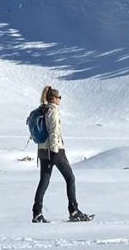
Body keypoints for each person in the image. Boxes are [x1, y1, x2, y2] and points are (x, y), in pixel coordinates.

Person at [32, 85, 90, 223]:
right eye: (59, 97)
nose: (60, 100)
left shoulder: (42, 110)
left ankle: (37, 213)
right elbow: (53, 132)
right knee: (70, 178)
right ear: (54, 98)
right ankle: (74, 211)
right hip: (54, 150)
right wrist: (55, 151)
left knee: (44, 181)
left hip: (42, 150)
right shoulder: (52, 110)